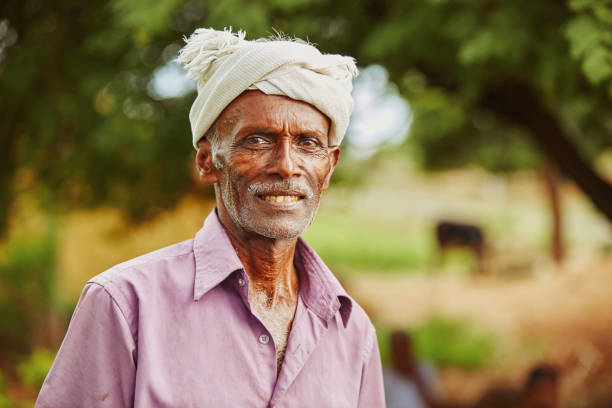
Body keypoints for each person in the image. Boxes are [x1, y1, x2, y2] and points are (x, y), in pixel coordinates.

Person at [36, 28, 385, 407]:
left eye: (308, 143)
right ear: (207, 161)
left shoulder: (352, 333)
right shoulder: (125, 304)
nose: (286, 166)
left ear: (329, 167)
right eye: (257, 140)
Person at [384, 330, 441, 408]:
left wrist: (417, 378)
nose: (402, 355)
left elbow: (436, 403)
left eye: (404, 350)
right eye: (398, 350)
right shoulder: (386, 377)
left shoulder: (425, 369)